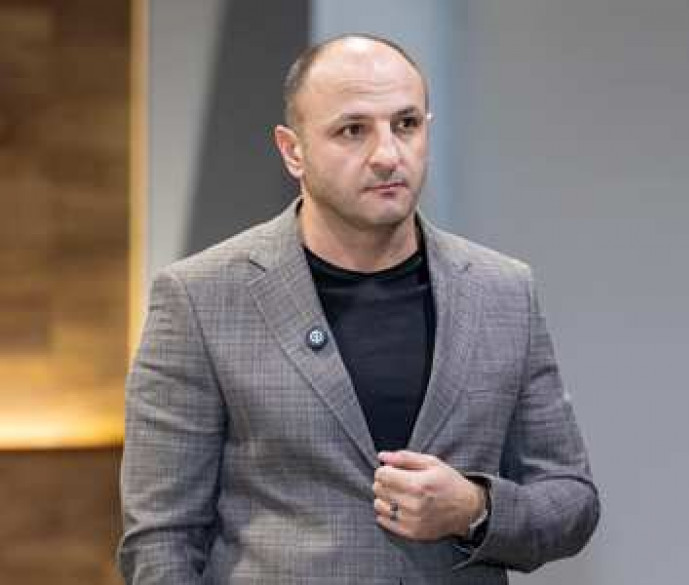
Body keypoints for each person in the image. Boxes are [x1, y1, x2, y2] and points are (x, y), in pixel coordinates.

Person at [118, 33, 599, 585]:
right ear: (293, 150)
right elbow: (161, 540)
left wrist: (474, 507)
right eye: (353, 130)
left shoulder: (502, 291)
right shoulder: (200, 298)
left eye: (406, 124)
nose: (388, 155)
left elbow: (571, 499)